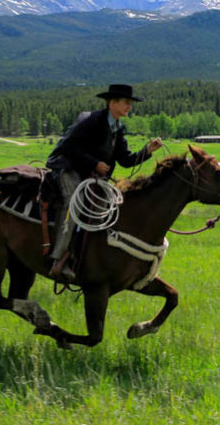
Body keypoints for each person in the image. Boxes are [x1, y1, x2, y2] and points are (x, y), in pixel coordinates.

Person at [45, 83, 163, 280]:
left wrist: (147, 151)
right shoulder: (90, 120)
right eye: (126, 102)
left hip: (91, 175)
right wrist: (94, 163)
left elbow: (125, 160)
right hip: (68, 168)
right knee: (74, 203)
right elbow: (67, 146)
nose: (129, 107)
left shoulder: (118, 128)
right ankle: (58, 259)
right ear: (112, 102)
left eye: (130, 103)